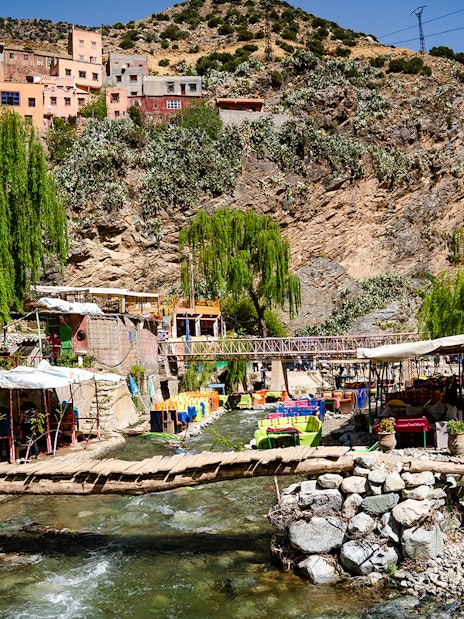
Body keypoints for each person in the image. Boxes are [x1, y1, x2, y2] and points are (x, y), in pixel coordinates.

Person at [19, 392, 40, 459]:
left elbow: (22, 416)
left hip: (26, 424)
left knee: (27, 439)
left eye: (21, 398)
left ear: (23, 398)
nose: (21, 400)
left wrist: (20, 423)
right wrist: (37, 421)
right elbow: (37, 413)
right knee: (33, 438)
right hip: (33, 423)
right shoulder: (33, 404)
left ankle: (29, 455)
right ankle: (37, 454)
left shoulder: (23, 406)